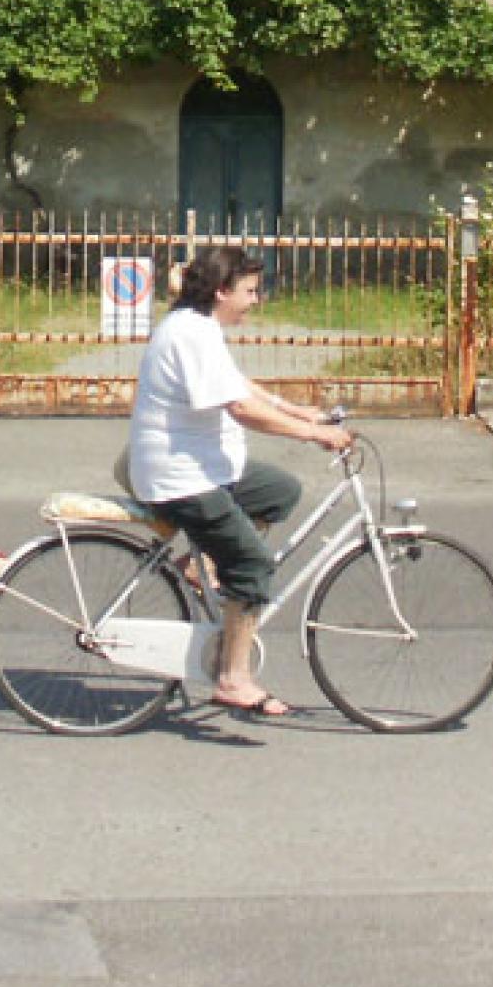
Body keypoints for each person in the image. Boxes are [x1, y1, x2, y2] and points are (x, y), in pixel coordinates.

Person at [126, 244, 353, 719]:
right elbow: (241, 408)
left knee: (279, 491)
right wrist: (314, 434)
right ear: (222, 290)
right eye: (250, 291)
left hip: (206, 466)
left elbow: (239, 386)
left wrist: (297, 411)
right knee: (253, 564)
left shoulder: (201, 327)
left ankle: (204, 565)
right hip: (181, 477)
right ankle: (234, 678)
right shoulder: (190, 334)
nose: (257, 300)